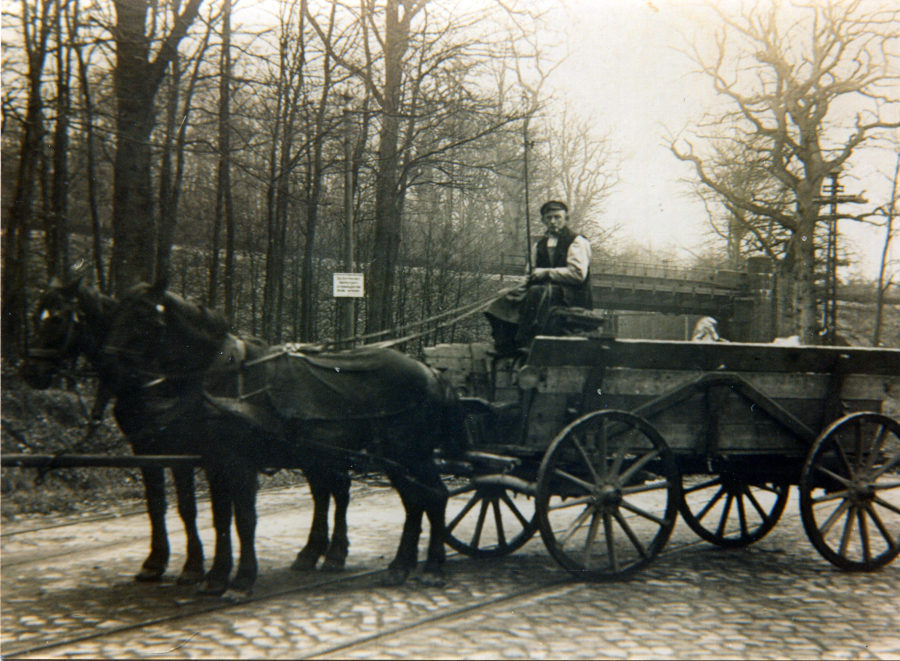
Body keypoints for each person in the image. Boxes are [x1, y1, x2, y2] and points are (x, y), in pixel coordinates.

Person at [485, 200, 593, 354]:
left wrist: (545, 273)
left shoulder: (577, 242)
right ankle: (504, 343)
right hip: (545, 290)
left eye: (557, 217)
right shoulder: (539, 245)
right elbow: (530, 272)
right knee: (504, 296)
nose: (553, 221)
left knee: (536, 292)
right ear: (543, 220)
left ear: (566, 219)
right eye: (548, 218)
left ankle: (527, 341)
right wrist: (522, 285)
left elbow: (577, 275)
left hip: (572, 295)